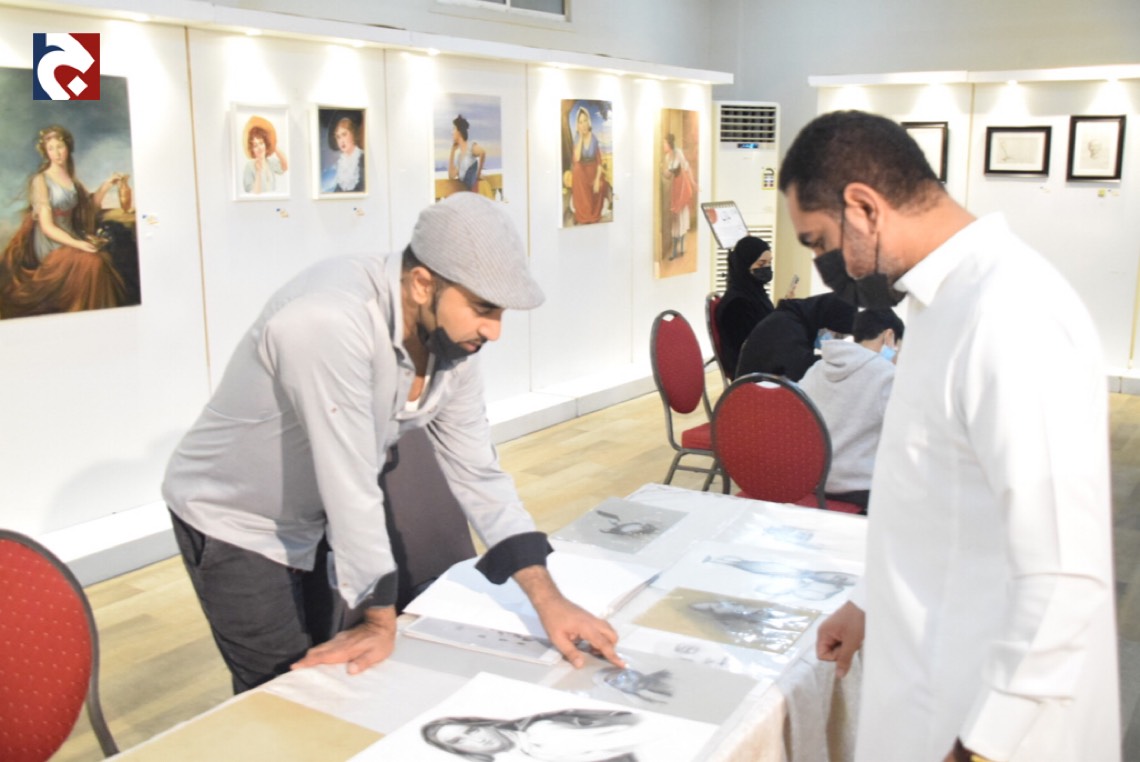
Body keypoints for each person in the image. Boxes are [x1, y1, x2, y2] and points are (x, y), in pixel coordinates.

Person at [162, 193, 623, 694]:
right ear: (423, 284)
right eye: (483, 308)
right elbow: (349, 476)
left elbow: (477, 472)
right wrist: (380, 618)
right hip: (237, 519)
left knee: (328, 678)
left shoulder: (453, 342)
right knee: (280, 690)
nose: (495, 330)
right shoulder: (328, 322)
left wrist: (549, 600)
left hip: (314, 515)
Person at [781, 110, 1118, 761]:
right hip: (929, 688)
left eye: (819, 242)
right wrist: (870, 603)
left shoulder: (1012, 314)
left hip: (989, 723)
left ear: (864, 208)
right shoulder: (942, 304)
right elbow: (934, 496)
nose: (824, 267)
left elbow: (1065, 574)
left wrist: (983, 745)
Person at [0, 124, 129, 319]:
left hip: (71, 237)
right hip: (51, 243)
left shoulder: (72, 181)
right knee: (92, 262)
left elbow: (89, 211)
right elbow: (47, 227)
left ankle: (98, 318)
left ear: (68, 147)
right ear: (46, 152)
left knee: (101, 259)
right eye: (51, 149)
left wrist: (106, 186)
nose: (56, 153)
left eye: (60, 147)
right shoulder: (40, 180)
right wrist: (78, 244)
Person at [797, 307, 904, 513]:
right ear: (889, 337)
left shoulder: (817, 368)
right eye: (899, 349)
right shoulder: (887, 376)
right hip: (860, 489)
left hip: (810, 481)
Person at [422, 709, 642, 761]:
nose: (475, 740)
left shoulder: (541, 735)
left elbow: (631, 737)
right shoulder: (517, 754)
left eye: (472, 730)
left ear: (485, 724)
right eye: (458, 741)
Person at [734, 292, 855, 381]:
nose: (835, 340)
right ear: (826, 320)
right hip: (753, 401)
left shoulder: (794, 320)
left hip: (758, 394)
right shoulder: (786, 325)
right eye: (837, 335)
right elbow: (800, 371)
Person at [714, 236, 775, 380]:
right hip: (753, 374)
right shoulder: (736, 304)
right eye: (761, 263)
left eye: (769, 263)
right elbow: (749, 347)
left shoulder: (755, 293)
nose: (766, 268)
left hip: (766, 362)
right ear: (744, 265)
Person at [569, 105, 610, 225]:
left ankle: (593, 212)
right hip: (582, 173)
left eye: (585, 121)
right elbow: (577, 158)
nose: (583, 124)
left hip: (593, 171)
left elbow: (599, 162)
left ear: (589, 122)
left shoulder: (594, 139)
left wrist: (597, 179)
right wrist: (581, 137)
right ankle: (584, 213)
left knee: (600, 184)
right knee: (577, 170)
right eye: (580, 122)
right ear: (578, 125)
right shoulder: (577, 138)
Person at [661, 133, 695, 260]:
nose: (663, 145)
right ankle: (675, 251)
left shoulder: (678, 153)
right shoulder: (667, 157)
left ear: (669, 143)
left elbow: (686, 168)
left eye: (665, 143)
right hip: (675, 186)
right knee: (675, 218)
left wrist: (693, 183)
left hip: (682, 186)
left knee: (682, 217)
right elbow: (668, 175)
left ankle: (681, 247)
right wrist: (662, 171)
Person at [242, 117, 288, 194]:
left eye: (261, 143)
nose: (259, 148)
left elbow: (285, 167)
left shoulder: (270, 162)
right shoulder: (249, 166)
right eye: (255, 146)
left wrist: (274, 146)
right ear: (252, 149)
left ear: (266, 144)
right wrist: (258, 172)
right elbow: (254, 194)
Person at [448, 114, 486, 194]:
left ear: (459, 131)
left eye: (454, 129)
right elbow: (451, 176)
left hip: (473, 192)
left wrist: (478, 174)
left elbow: (482, 152)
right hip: (465, 193)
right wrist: (452, 151)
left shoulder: (470, 147)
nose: (452, 132)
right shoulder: (459, 155)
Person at [329, 116, 364, 193]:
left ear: (353, 134)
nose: (341, 141)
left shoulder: (362, 159)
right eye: (338, 137)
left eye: (344, 134)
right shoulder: (342, 163)